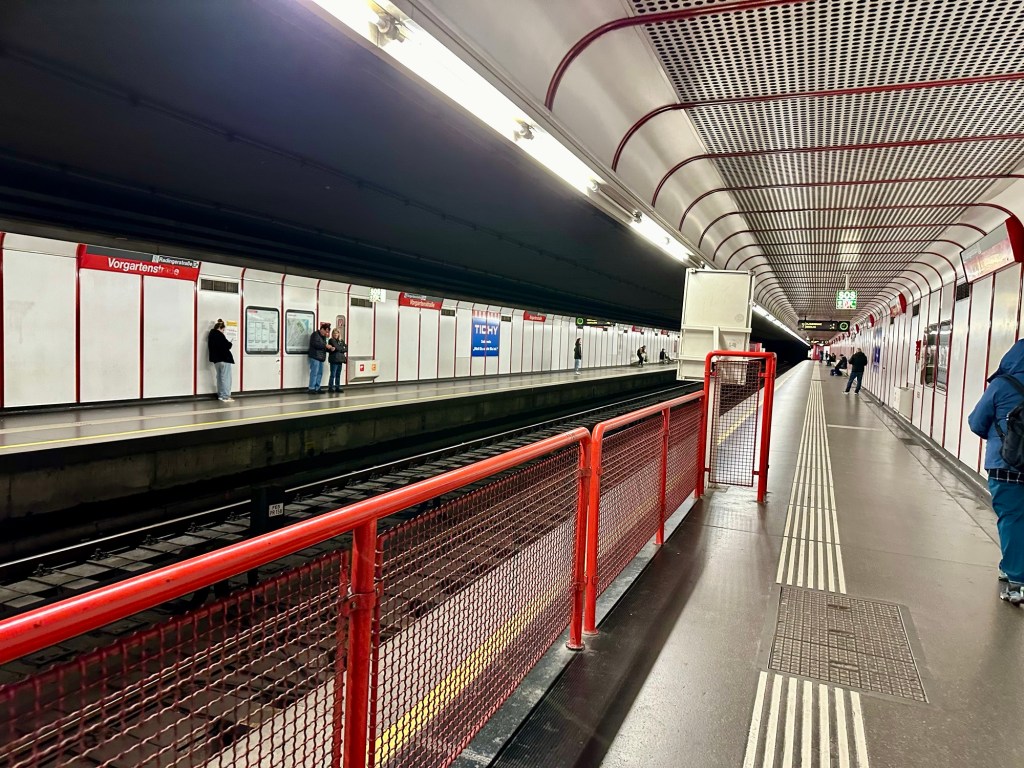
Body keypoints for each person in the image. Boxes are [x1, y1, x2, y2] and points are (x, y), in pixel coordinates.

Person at [968, 339, 1024, 605]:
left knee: (1012, 518)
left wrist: (998, 436)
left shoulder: (1002, 385)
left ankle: (1017, 582)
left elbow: (976, 422)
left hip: (1006, 464)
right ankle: (1010, 565)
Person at [207, 319, 235, 403]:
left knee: (219, 378)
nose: (223, 332)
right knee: (226, 378)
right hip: (224, 359)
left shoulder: (211, 335)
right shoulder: (220, 335)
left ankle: (221, 395)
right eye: (223, 330)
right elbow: (226, 346)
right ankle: (226, 396)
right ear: (220, 328)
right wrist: (230, 343)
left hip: (216, 360)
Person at [308, 322, 330, 394]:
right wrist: (325, 346)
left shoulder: (323, 337)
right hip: (315, 356)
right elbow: (315, 344)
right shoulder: (315, 335)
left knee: (320, 373)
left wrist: (329, 348)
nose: (326, 333)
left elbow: (323, 346)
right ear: (322, 329)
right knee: (314, 373)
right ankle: (311, 388)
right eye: (326, 331)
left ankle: (317, 387)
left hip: (321, 357)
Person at [327, 327, 348, 393]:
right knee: (333, 374)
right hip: (334, 360)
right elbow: (338, 347)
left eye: (337, 333)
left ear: (339, 334)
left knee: (338, 375)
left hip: (340, 360)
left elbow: (346, 348)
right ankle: (330, 387)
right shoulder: (331, 340)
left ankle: (337, 387)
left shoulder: (341, 341)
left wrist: (339, 349)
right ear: (332, 334)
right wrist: (341, 348)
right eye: (334, 333)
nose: (335, 334)